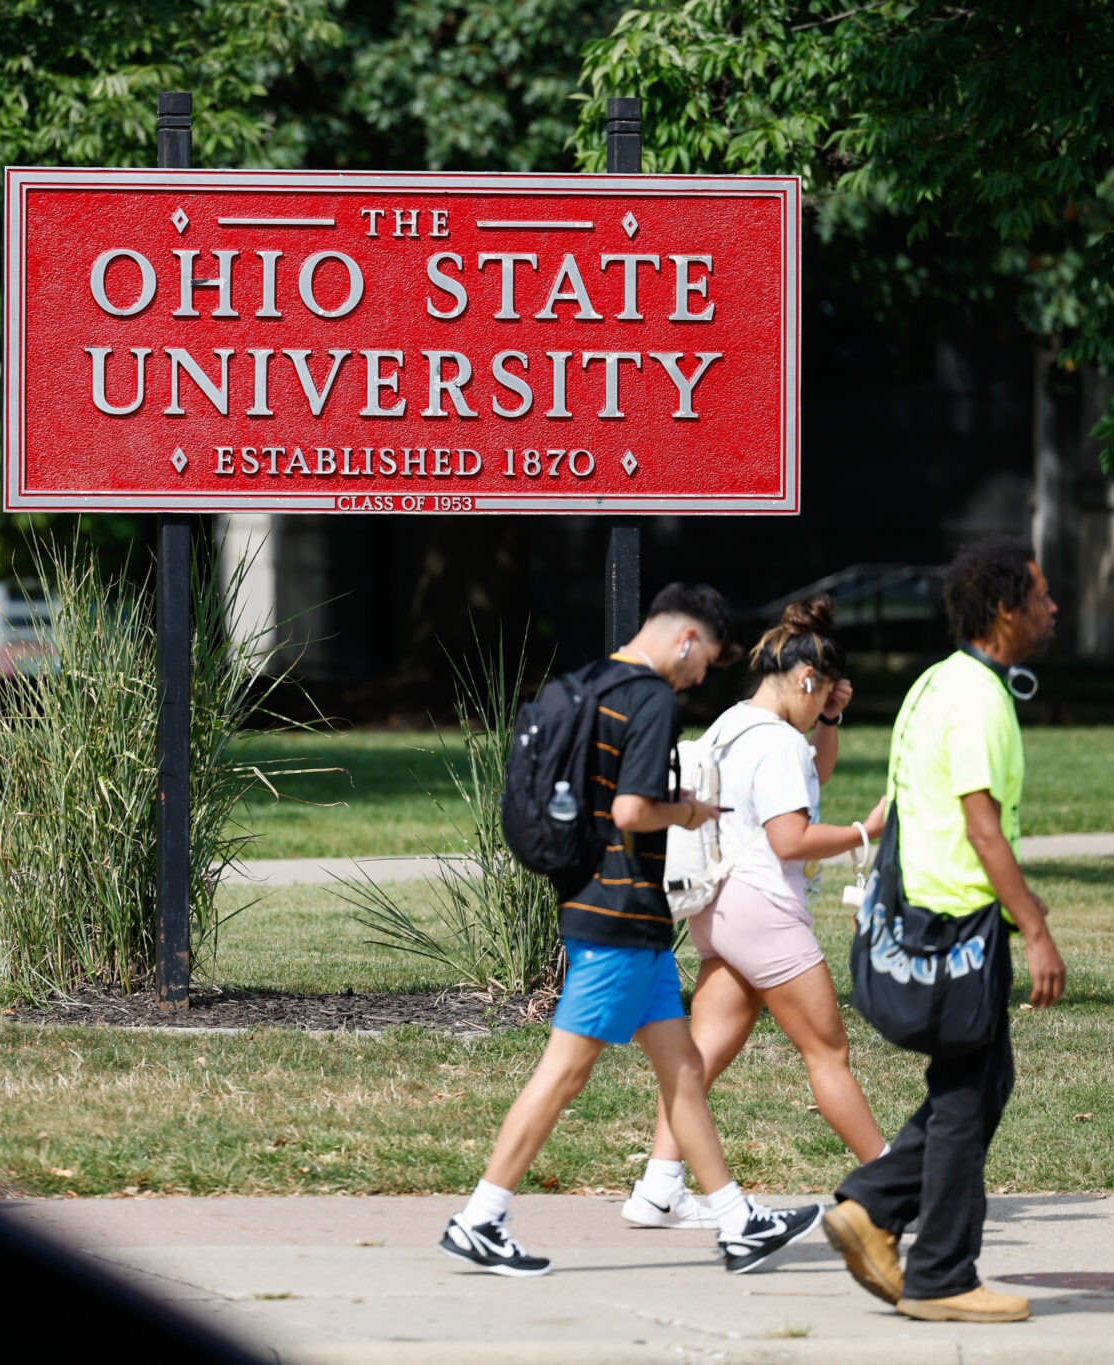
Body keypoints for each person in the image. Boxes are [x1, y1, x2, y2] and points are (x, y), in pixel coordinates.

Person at [441, 584, 823, 1278]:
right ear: (685, 639)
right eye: (705, 658)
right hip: (617, 918)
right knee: (564, 1071)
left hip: (618, 913)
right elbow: (629, 809)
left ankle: (737, 1222)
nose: (703, 674)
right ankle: (481, 1215)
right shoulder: (650, 697)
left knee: (682, 1071)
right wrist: (687, 812)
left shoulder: (589, 680)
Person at [821, 536, 1067, 1324]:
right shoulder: (979, 699)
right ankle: (939, 1272)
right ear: (1005, 609)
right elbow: (982, 825)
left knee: (980, 1082)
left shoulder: (934, 684)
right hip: (960, 921)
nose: (1052, 606)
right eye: (1040, 594)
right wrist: (1034, 927)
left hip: (923, 912)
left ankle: (872, 1207)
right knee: (966, 1094)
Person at [622, 595, 890, 1230]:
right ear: (804, 680)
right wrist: (863, 831)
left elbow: (812, 772)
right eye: (819, 695)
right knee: (828, 1052)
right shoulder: (777, 746)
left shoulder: (733, 724)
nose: (819, 707)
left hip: (717, 907)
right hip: (762, 908)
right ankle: (900, 1180)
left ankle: (658, 1188)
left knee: (700, 1056)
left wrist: (831, 719)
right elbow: (790, 839)